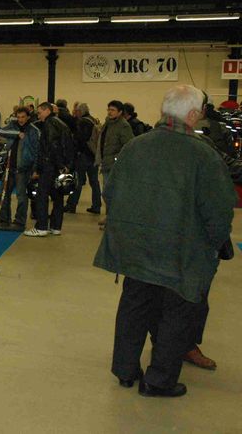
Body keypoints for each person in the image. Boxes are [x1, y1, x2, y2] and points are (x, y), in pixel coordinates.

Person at [93, 85, 235, 398]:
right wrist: (214, 245)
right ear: (193, 114)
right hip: (180, 252)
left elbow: (111, 193)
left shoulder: (135, 146)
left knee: (134, 307)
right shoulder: (203, 155)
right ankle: (159, 381)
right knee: (176, 315)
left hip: (136, 249)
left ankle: (125, 371)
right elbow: (218, 210)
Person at [24, 102, 74, 237]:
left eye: (39, 112)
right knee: (57, 197)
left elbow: (51, 147)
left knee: (42, 196)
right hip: (59, 167)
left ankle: (41, 227)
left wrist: (40, 168)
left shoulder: (49, 124)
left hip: (49, 166)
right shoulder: (62, 124)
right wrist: (65, 166)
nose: (38, 116)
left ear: (47, 111)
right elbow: (69, 146)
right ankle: (56, 227)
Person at [0, 106, 39, 231]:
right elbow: (1, 131)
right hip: (9, 166)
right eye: (18, 117)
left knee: (21, 196)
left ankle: (20, 221)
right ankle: (4, 218)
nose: (20, 120)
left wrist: (35, 169)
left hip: (23, 168)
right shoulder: (12, 126)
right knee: (4, 194)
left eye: (23, 117)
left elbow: (36, 151)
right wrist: (17, 134)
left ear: (28, 117)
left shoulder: (33, 131)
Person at [97, 100, 134, 226]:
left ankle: (112, 219)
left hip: (114, 165)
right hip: (105, 163)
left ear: (120, 112)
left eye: (112, 110)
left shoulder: (123, 126)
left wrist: (115, 159)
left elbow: (128, 146)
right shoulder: (107, 123)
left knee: (112, 193)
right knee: (107, 193)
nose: (109, 112)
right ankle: (109, 216)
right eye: (108, 109)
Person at [65, 103, 102, 214]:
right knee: (94, 182)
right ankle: (97, 206)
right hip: (93, 155)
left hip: (83, 155)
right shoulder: (93, 120)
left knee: (78, 181)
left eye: (76, 111)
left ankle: (71, 205)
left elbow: (80, 139)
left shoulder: (82, 122)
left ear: (80, 112)